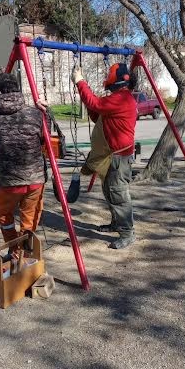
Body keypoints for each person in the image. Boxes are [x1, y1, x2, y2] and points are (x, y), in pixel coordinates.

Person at [71, 62, 137, 250]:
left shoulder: (122, 99)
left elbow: (96, 103)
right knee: (110, 191)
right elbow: (97, 113)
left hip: (118, 158)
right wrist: (84, 89)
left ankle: (127, 232)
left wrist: (81, 82)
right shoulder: (119, 98)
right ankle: (117, 223)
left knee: (119, 194)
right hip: (111, 156)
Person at [0, 72, 48, 255]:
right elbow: (45, 136)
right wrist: (44, 112)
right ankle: (26, 251)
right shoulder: (35, 114)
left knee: (5, 215)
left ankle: (14, 249)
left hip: (9, 182)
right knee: (29, 217)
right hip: (34, 178)